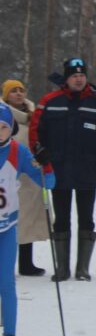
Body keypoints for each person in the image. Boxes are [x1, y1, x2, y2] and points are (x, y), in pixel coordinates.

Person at [29, 58, 96, 282]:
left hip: (87, 170)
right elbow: (35, 133)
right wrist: (43, 158)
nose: (79, 79)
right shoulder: (49, 101)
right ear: (67, 78)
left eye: (82, 75)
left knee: (86, 218)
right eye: (74, 76)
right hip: (58, 170)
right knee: (61, 219)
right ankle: (62, 268)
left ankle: (82, 268)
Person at [0, 104, 56, 336]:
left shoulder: (18, 152)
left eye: (3, 127)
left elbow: (49, 182)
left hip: (7, 228)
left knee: (7, 283)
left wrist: (46, 164)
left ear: (10, 128)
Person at [2, 79, 48, 276]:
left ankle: (26, 262)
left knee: (28, 221)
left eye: (21, 90)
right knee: (9, 220)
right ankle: (6, 263)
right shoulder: (5, 118)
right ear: (6, 95)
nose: (19, 94)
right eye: (13, 91)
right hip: (9, 176)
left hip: (31, 175)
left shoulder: (34, 116)